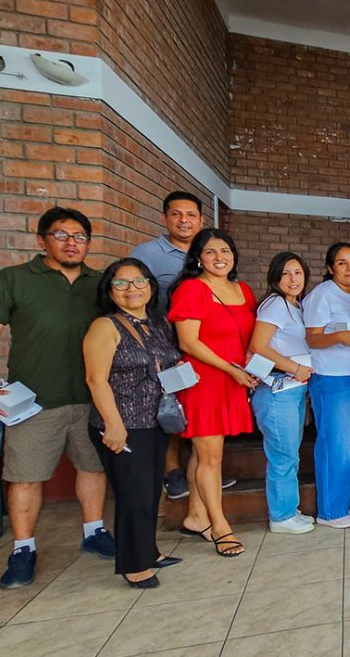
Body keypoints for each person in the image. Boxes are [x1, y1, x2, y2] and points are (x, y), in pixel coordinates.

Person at [0, 207, 114, 590]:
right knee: (25, 476)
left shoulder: (100, 283)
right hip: (33, 401)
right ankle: (23, 549)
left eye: (80, 237)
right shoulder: (14, 279)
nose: (72, 243)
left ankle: (94, 532)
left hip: (93, 396)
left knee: (93, 467)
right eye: (61, 235)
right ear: (41, 240)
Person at [84, 259, 183, 588]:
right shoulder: (105, 326)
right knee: (133, 495)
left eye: (139, 282)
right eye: (122, 283)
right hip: (122, 423)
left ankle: (149, 551)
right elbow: (96, 380)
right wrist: (113, 425)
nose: (132, 289)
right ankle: (135, 564)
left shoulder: (157, 323)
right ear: (110, 291)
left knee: (151, 490)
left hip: (154, 422)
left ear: (151, 287)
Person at [130, 191, 230, 501]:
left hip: (203, 350)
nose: (184, 220)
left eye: (191, 215)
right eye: (176, 214)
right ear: (164, 218)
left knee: (199, 412)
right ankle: (173, 472)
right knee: (170, 406)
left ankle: (204, 468)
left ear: (201, 220)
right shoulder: (147, 254)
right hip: (165, 347)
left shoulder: (209, 253)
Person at [168, 229, 257, 557]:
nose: (219, 257)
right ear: (197, 257)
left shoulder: (243, 290)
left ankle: (195, 515)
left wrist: (248, 368)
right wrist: (231, 368)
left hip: (234, 379)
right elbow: (188, 341)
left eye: (225, 251)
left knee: (204, 454)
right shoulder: (192, 289)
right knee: (210, 455)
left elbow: (248, 336)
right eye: (210, 252)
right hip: (205, 380)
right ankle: (220, 526)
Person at [304, 243, 350, 529]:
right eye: (342, 263)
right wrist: (340, 336)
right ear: (330, 268)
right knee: (335, 443)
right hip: (330, 377)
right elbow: (312, 338)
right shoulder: (321, 295)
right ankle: (330, 509)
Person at [250, 252, 315, 534]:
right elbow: (259, 346)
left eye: (298, 273)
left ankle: (289, 509)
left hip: (294, 391)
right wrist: (296, 368)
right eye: (287, 273)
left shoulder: (295, 306)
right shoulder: (275, 304)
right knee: (283, 455)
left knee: (290, 453)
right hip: (278, 390)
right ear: (276, 276)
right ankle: (281, 516)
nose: (293, 279)